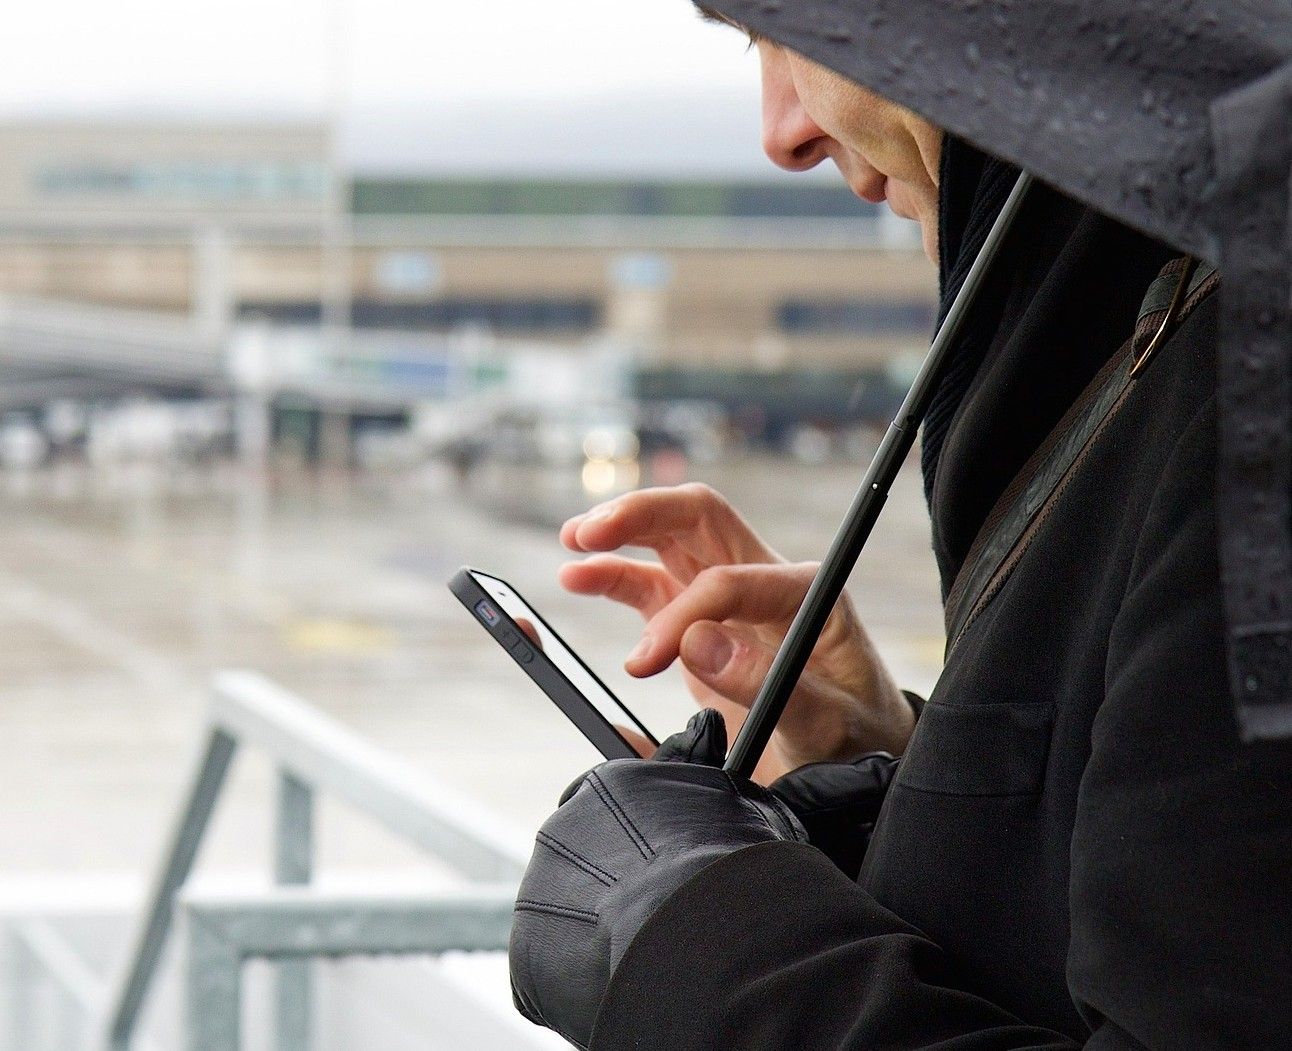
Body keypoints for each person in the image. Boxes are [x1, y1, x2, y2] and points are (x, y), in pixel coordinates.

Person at [507, 14, 1292, 1051]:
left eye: (784, 30)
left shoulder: (1254, 395)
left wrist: (695, 934)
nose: (778, 130)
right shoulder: (1175, 327)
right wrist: (912, 771)